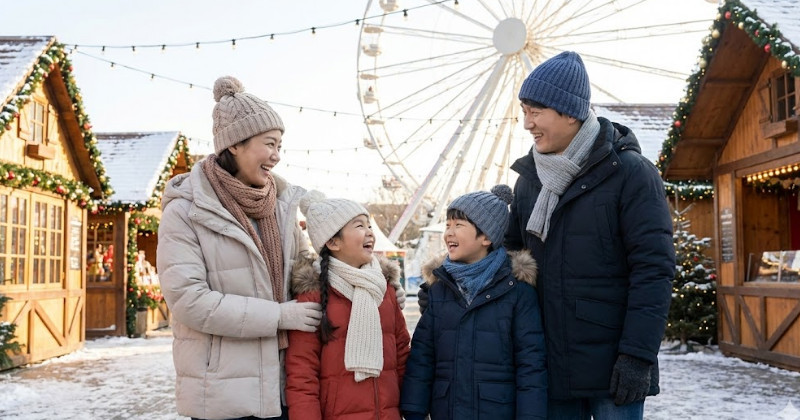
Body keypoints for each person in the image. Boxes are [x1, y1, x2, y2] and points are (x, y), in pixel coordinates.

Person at [505, 51, 675, 419]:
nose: (526, 124)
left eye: (535, 112)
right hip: (549, 368)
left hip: (614, 371)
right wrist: (451, 285)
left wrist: (637, 356)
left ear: (569, 112)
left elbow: (653, 271)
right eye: (524, 112)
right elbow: (510, 262)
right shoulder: (528, 182)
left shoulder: (632, 175)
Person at [157, 75, 323, 420]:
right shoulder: (186, 209)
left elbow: (307, 272)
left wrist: (370, 288)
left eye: (280, 146)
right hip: (220, 393)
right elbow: (189, 301)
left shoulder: (283, 205)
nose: (276, 156)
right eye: (269, 144)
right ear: (234, 144)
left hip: (284, 385)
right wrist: (278, 316)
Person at [400, 185, 547, 420]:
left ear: (486, 237)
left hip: (497, 410)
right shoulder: (439, 290)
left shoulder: (517, 293)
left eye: (458, 225)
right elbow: (422, 356)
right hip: (446, 409)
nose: (449, 233)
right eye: (447, 225)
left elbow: (531, 364)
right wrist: (413, 409)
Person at [285, 191, 410, 419]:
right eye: (359, 226)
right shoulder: (314, 296)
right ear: (333, 242)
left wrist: (412, 409)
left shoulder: (385, 290)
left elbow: (402, 353)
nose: (370, 232)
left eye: (369, 225)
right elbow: (302, 372)